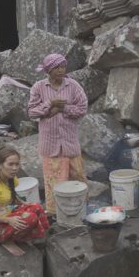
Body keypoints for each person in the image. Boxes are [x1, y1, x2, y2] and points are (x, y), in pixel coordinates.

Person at [27, 53, 88, 217]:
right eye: (57, 67)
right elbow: (32, 112)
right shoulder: (39, 87)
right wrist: (50, 104)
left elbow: (82, 108)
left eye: (63, 67)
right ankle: (56, 214)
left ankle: (79, 209)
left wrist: (63, 109)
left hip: (69, 142)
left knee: (77, 177)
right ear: (48, 70)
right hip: (50, 144)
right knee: (54, 180)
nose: (61, 70)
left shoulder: (73, 86)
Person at [0, 146, 50, 256]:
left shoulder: (11, 178)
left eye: (17, 164)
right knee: (31, 217)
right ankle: (5, 239)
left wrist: (24, 204)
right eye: (10, 164)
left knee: (37, 207)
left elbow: (12, 196)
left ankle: (41, 238)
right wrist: (8, 220)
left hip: (6, 216)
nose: (15, 168)